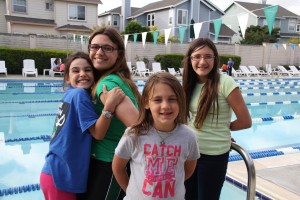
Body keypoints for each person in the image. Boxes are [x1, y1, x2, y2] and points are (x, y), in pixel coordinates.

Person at [40, 52, 126, 200]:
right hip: (62, 178)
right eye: (75, 70)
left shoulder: (70, 94)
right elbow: (98, 133)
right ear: (67, 77)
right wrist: (110, 105)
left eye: (87, 70)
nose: (82, 74)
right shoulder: (80, 94)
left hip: (53, 172)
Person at [182, 38, 252, 200]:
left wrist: (222, 129)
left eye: (208, 56)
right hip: (189, 153)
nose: (202, 61)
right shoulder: (190, 84)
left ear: (215, 59)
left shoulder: (226, 83)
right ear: (190, 59)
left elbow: (245, 121)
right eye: (197, 56)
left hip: (213, 157)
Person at [112, 72, 200, 199]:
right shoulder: (134, 134)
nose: (165, 106)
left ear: (180, 101)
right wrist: (132, 192)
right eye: (158, 100)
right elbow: (118, 167)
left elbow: (188, 170)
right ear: (147, 103)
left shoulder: (188, 136)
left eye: (172, 99)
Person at [78, 27, 141, 200]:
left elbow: (140, 128)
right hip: (107, 162)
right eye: (94, 47)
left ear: (119, 54)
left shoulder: (107, 85)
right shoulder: (116, 79)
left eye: (107, 48)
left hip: (109, 164)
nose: (99, 52)